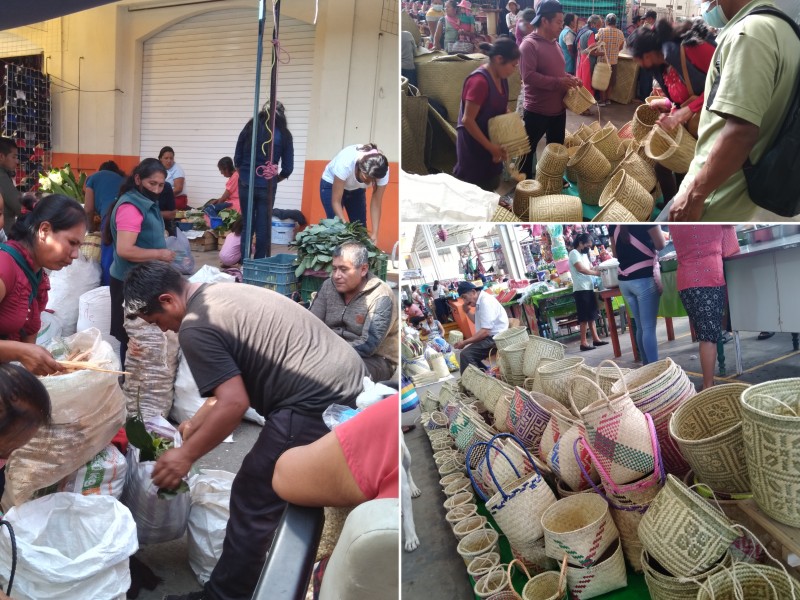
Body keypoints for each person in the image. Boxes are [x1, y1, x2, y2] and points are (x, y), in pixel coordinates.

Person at [122, 261, 368, 600]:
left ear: (167, 300)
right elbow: (235, 389)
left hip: (318, 398)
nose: (164, 331)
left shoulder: (195, 325)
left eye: (157, 322)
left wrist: (184, 456)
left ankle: (225, 596)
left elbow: (234, 405)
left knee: (253, 495)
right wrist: (196, 426)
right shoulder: (217, 292)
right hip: (345, 376)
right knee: (272, 485)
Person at [666, 0, 800, 222]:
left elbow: (740, 132)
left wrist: (694, 196)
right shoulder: (786, 31)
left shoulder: (750, 33)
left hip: (717, 199)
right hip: (750, 194)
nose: (704, 5)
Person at [628, 19, 716, 201]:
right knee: (666, 165)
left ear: (648, 54)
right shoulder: (661, 67)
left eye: (639, 60)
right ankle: (673, 204)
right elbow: (680, 96)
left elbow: (722, 84)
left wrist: (686, 111)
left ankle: (681, 205)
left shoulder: (691, 48)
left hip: (711, 123)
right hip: (692, 123)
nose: (640, 65)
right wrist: (669, 106)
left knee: (689, 171)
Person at [0, 194, 85, 376]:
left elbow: (28, 339)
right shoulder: (4, 267)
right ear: (44, 230)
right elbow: (24, 350)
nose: (76, 255)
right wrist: (21, 352)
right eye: (72, 243)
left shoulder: (36, 275)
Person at [106, 158, 176, 367]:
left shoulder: (143, 202)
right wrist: (159, 254)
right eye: (152, 183)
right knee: (131, 338)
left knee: (143, 336)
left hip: (144, 280)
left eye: (161, 185)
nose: (156, 189)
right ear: (138, 179)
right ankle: (129, 384)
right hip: (129, 283)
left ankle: (141, 382)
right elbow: (125, 249)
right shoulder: (131, 206)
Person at [273, 394, 399, 506]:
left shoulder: (391, 415)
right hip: (348, 389)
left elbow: (286, 475)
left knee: (264, 472)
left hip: (328, 397)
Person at [309, 242, 399, 383]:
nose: (337, 275)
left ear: (363, 269)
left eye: (344, 269)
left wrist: (327, 354)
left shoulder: (381, 296)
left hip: (375, 360)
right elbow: (311, 323)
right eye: (334, 269)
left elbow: (368, 346)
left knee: (329, 374)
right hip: (329, 351)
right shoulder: (328, 286)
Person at [670, 225, 739, 389]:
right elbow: (730, 250)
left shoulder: (676, 214)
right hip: (709, 279)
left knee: (704, 334)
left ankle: (709, 383)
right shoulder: (718, 214)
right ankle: (708, 385)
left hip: (685, 282)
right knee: (708, 337)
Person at [518, 0, 581, 179]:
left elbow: (558, 72)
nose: (562, 26)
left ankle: (551, 182)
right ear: (544, 21)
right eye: (559, 22)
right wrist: (558, 82)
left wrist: (570, 78)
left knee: (556, 150)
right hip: (537, 110)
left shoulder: (554, 43)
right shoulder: (529, 45)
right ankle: (525, 187)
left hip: (558, 110)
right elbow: (528, 77)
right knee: (527, 152)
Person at [453, 39, 519, 191]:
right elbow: (468, 120)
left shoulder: (501, 79)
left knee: (491, 183)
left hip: (490, 140)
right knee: (474, 188)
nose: (513, 70)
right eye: (513, 65)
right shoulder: (479, 82)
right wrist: (490, 147)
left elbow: (500, 107)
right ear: (498, 59)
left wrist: (511, 121)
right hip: (474, 144)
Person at [235, 101, 295, 260]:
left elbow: (237, 160)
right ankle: (259, 264)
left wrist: (245, 175)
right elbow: (288, 168)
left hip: (246, 183)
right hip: (267, 186)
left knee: (248, 225)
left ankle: (245, 264)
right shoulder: (285, 134)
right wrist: (274, 179)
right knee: (263, 227)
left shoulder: (250, 128)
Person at [609, 225, 666, 365]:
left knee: (640, 326)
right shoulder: (645, 221)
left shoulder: (613, 225)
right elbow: (661, 244)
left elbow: (615, 254)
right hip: (643, 279)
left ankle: (647, 366)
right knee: (648, 327)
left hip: (625, 281)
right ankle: (654, 370)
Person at [320, 144, 389, 244]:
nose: (369, 183)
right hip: (331, 184)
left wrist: (375, 233)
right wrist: (344, 226)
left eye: (373, 180)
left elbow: (376, 203)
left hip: (356, 189)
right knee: (336, 228)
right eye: (366, 179)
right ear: (359, 168)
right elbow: (336, 202)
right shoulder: (345, 163)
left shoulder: (382, 170)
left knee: (360, 230)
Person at [84, 160, 125, 286]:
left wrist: (90, 229)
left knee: (107, 256)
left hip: (110, 215)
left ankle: (107, 291)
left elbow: (88, 209)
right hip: (129, 215)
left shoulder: (93, 178)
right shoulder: (122, 179)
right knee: (122, 254)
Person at [452, 281, 508, 374]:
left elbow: (485, 331)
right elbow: (477, 320)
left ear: (473, 292)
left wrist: (465, 342)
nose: (465, 302)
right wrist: (467, 311)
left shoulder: (485, 301)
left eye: (465, 298)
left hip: (496, 338)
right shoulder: (480, 301)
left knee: (466, 355)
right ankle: (485, 376)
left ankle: (477, 382)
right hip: (490, 337)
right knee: (468, 354)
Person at [568, 233, 609, 352]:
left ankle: (596, 339)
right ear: (580, 243)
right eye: (587, 245)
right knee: (584, 317)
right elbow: (581, 269)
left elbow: (589, 268)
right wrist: (596, 273)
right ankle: (583, 342)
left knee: (592, 315)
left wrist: (598, 268)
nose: (589, 248)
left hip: (588, 287)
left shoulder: (584, 255)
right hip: (581, 289)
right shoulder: (574, 253)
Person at [596, 14, 626, 106]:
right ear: (615, 22)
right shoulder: (620, 33)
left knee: (602, 81)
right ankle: (608, 99)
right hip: (613, 62)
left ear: (607, 21)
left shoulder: (601, 31)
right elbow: (620, 48)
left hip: (602, 61)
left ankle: (602, 100)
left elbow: (595, 42)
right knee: (611, 82)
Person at [576, 15, 604, 103]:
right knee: (587, 84)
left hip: (580, 60)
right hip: (587, 61)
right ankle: (585, 107)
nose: (599, 28)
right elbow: (591, 51)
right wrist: (601, 53)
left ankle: (580, 104)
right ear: (593, 24)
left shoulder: (582, 30)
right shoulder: (590, 33)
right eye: (599, 25)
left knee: (581, 82)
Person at [0, 138, 20, 236]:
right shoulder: (1, 177)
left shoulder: (5, 174)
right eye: (14, 157)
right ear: (1, 156)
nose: (17, 161)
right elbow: (19, 206)